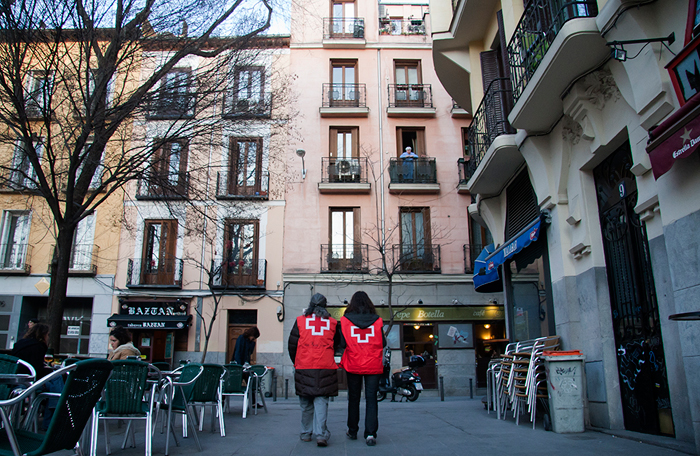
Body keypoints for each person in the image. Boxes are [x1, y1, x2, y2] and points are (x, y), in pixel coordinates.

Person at [288, 293, 340, 447]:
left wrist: (297, 361)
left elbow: (292, 345)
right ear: (325, 306)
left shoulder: (300, 321)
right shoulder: (332, 323)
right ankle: (321, 435)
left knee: (305, 402)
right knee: (321, 401)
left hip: (304, 366)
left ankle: (305, 433)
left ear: (310, 305)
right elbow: (336, 344)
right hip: (325, 366)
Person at [339, 291, 386, 446]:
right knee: (371, 398)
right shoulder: (377, 321)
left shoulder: (345, 321)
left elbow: (343, 344)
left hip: (353, 363)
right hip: (373, 363)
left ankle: (352, 431)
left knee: (354, 398)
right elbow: (383, 343)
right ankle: (370, 434)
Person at [11, 323, 61, 429]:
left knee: (54, 384)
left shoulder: (19, 344)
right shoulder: (39, 346)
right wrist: (49, 371)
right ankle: (53, 417)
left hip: (14, 381)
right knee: (56, 380)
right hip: (28, 382)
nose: (48, 337)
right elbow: (36, 370)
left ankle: (52, 417)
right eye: (47, 335)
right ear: (42, 335)